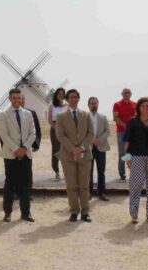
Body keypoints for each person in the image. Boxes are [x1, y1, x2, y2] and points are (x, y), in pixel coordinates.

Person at [55, 89, 94, 222]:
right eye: (70, 97)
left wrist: (81, 148)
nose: (73, 99)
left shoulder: (86, 115)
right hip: (67, 155)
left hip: (85, 155)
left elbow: (91, 133)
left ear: (78, 98)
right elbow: (60, 135)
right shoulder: (61, 116)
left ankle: (85, 212)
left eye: (75, 97)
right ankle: (74, 211)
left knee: (84, 186)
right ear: (67, 99)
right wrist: (73, 149)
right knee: (71, 186)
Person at [0, 88, 37, 222]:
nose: (17, 100)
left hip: (26, 154)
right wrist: (16, 149)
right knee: (10, 184)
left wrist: (24, 148)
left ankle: (26, 213)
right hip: (11, 154)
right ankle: (7, 213)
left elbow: (33, 133)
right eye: (14, 98)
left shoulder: (28, 114)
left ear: (21, 99)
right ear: (10, 99)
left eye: (19, 98)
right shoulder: (4, 114)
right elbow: (4, 134)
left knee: (26, 184)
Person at [88, 97, 111, 201]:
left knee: (101, 171)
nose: (94, 105)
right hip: (89, 147)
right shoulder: (85, 117)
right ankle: (89, 192)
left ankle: (101, 192)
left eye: (95, 103)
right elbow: (83, 131)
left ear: (98, 104)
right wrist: (92, 140)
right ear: (88, 105)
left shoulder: (103, 117)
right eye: (92, 103)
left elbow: (108, 131)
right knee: (89, 171)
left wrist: (99, 140)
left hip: (101, 147)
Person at [113, 88, 137, 181]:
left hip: (133, 132)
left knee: (133, 152)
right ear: (122, 94)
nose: (126, 94)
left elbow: (137, 117)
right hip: (121, 132)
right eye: (125, 93)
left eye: (128, 93)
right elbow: (115, 118)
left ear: (131, 94)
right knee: (122, 153)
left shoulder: (135, 104)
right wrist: (125, 126)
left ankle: (134, 172)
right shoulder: (117, 104)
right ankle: (122, 173)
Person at [21, 94, 41, 194]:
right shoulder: (8, 114)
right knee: (15, 171)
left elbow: (37, 130)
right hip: (14, 148)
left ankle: (28, 193)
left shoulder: (31, 113)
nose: (21, 101)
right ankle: (16, 192)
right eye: (19, 99)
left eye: (22, 99)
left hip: (28, 147)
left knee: (27, 171)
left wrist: (36, 145)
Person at [47, 87, 67, 180]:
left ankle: (66, 172)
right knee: (56, 150)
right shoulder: (52, 106)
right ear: (56, 95)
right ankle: (57, 172)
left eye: (62, 94)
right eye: (59, 94)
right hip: (54, 129)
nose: (61, 95)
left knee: (66, 150)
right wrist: (57, 129)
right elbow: (50, 120)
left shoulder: (67, 106)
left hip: (66, 130)